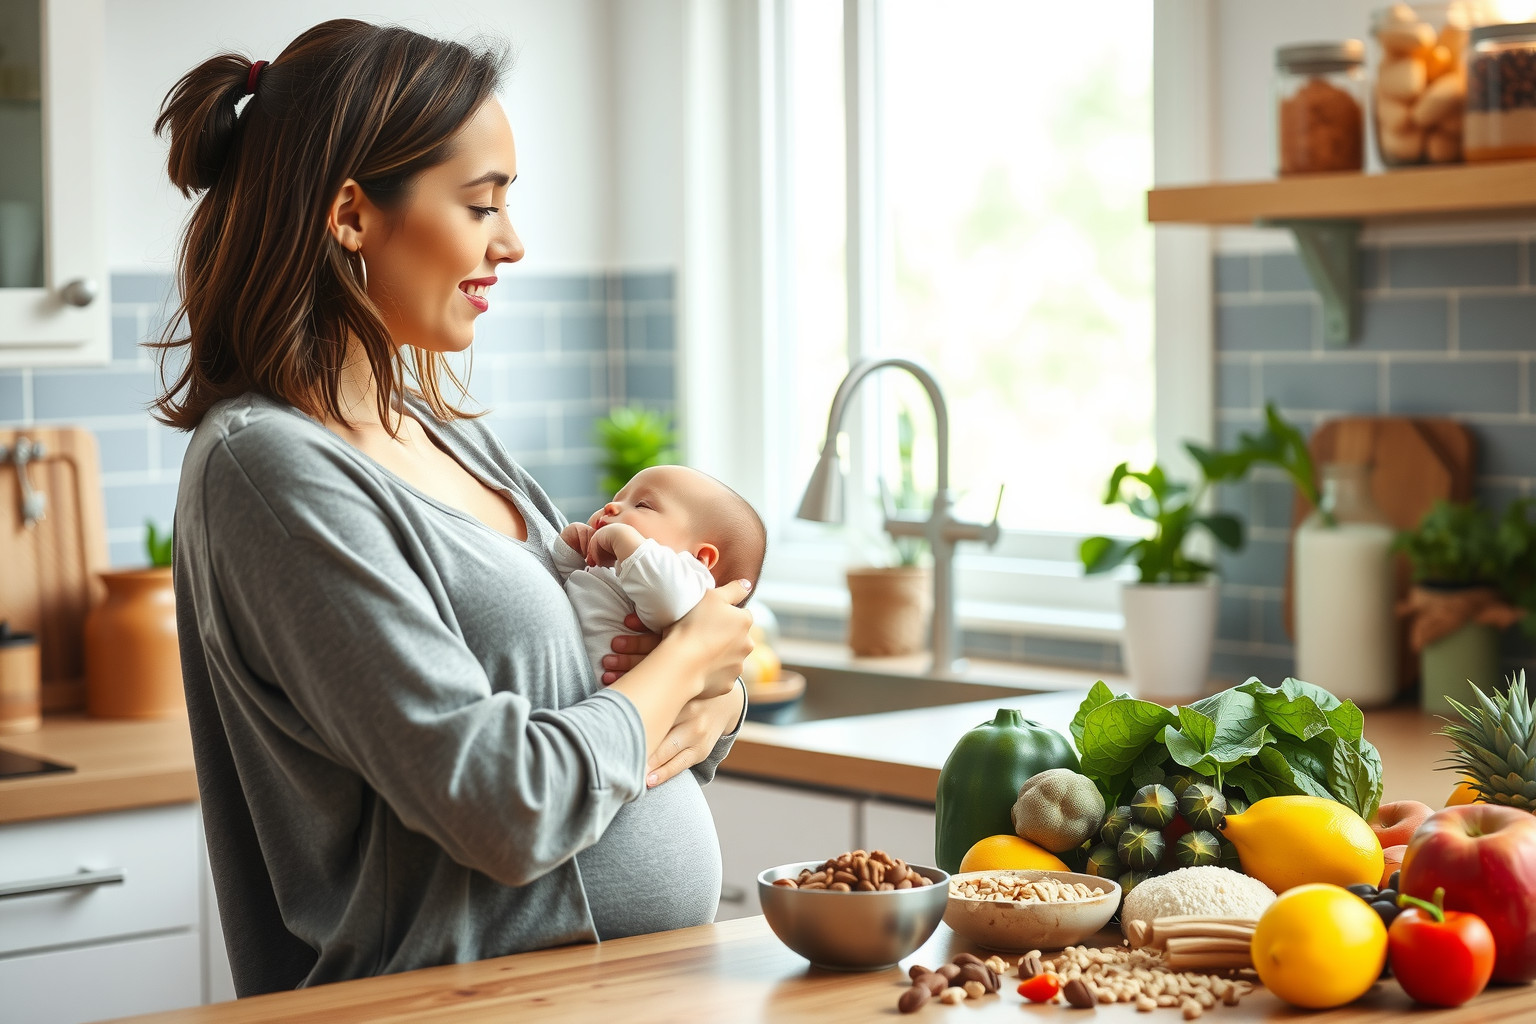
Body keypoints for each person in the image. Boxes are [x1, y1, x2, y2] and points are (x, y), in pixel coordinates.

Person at [152, 19, 754, 997]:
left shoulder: (440, 431)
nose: (512, 244)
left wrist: (714, 694)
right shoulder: (268, 472)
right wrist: (690, 660)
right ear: (351, 214)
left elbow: (594, 688)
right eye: (482, 206)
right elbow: (502, 805)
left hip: (620, 991)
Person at [556, 465, 766, 691]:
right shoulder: (617, 572)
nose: (610, 506)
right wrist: (572, 552)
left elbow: (668, 600)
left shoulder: (689, 584)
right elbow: (568, 589)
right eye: (617, 498)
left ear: (700, 560)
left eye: (642, 505)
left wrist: (621, 537)